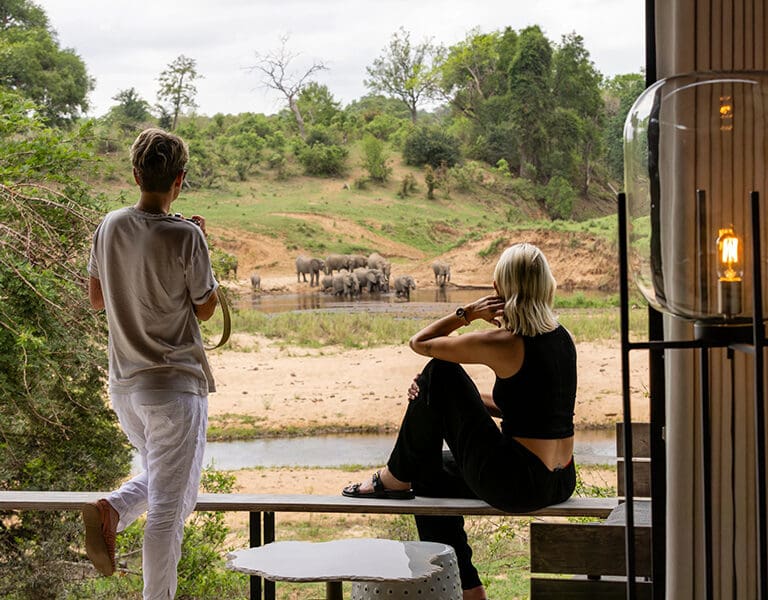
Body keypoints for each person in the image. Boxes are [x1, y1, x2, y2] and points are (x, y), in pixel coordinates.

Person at [342, 242, 577, 600]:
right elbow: (526, 410)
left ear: (500, 289)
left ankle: (393, 478)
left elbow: (421, 343)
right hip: (560, 480)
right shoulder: (562, 338)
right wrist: (444, 401)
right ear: (547, 285)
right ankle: (469, 588)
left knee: (439, 371)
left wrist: (466, 313)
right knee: (427, 472)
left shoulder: (505, 341)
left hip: (517, 482)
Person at [83, 128, 219, 600]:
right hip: (174, 389)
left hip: (124, 387)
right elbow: (205, 309)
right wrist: (201, 242)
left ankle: (115, 508)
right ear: (179, 180)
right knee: (168, 508)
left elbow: (97, 299)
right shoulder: (187, 235)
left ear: (136, 174)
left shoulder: (109, 225)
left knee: (170, 481)